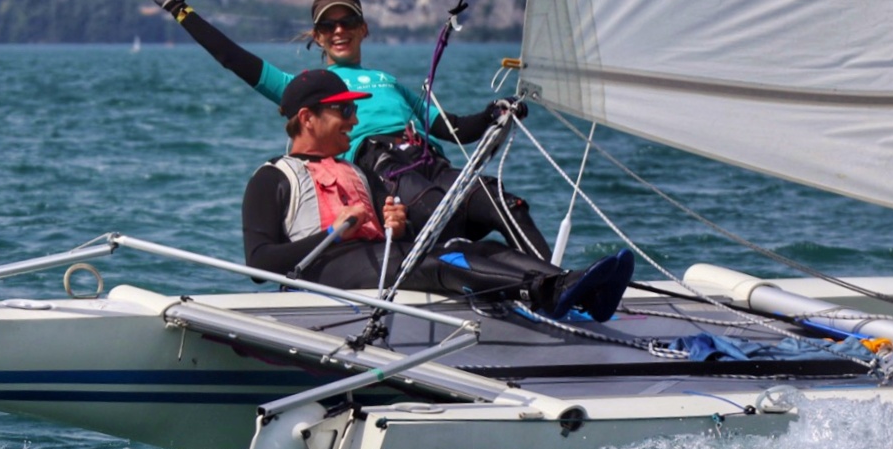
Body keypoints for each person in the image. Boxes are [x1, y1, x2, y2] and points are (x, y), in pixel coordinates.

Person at [134, 0, 550, 258]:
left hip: (432, 163)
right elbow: (233, 58)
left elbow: (451, 128)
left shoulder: (389, 82)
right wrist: (179, 8)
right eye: (327, 26)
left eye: (347, 23)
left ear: (363, 29)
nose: (338, 31)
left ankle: (553, 288)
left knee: (504, 204)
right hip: (386, 174)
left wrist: (495, 111)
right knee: (440, 213)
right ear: (316, 37)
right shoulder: (304, 89)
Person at [244, 69, 633, 320]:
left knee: (470, 247)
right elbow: (260, 263)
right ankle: (546, 292)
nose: (355, 121)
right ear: (308, 118)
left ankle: (573, 287)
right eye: (342, 112)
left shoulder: (353, 173)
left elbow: (391, 244)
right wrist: (334, 234)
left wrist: (392, 226)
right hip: (322, 279)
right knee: (440, 262)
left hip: (379, 265)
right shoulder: (272, 177)